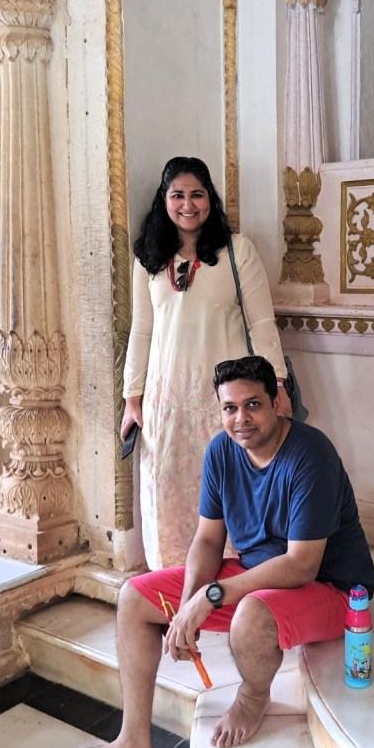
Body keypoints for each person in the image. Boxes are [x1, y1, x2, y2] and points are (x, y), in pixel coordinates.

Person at [67, 356, 374, 748]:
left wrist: (213, 596)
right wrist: (188, 603)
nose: (241, 419)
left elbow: (301, 565)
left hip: (332, 589)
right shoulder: (221, 452)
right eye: (229, 408)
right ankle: (132, 742)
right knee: (134, 597)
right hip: (258, 576)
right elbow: (209, 539)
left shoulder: (310, 455)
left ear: (277, 403)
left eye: (253, 405)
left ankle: (252, 696)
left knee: (250, 614)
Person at [122, 157, 290, 569]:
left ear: (209, 199)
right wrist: (132, 396)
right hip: (167, 404)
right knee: (169, 490)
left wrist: (278, 385)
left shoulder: (238, 250)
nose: (188, 205)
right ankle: (172, 576)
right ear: (164, 200)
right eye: (177, 195)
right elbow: (140, 330)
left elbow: (262, 322)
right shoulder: (148, 258)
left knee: (231, 486)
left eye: (197, 194)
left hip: (226, 403)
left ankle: (235, 578)